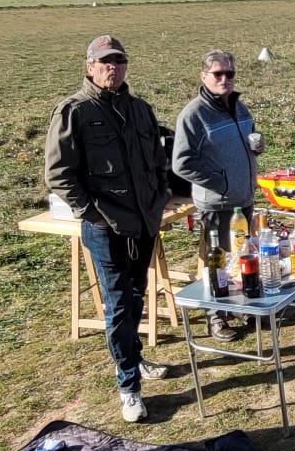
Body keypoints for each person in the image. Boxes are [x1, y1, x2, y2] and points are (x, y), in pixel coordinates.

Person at [45, 34, 171, 423]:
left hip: (143, 223)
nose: (112, 68)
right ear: (90, 67)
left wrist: (159, 198)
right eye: (105, 62)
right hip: (106, 227)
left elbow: (158, 162)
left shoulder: (140, 109)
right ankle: (129, 387)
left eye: (118, 61)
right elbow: (58, 174)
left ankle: (133, 356)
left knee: (136, 297)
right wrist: (92, 214)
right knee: (118, 304)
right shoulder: (74, 112)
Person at [171, 48, 261, 342]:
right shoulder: (194, 115)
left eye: (229, 73)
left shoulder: (239, 107)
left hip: (243, 198)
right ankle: (216, 317)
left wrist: (257, 147)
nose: (225, 79)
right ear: (203, 76)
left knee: (242, 255)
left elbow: (250, 138)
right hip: (217, 203)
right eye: (218, 74)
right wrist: (220, 182)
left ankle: (242, 306)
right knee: (217, 260)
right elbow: (181, 163)